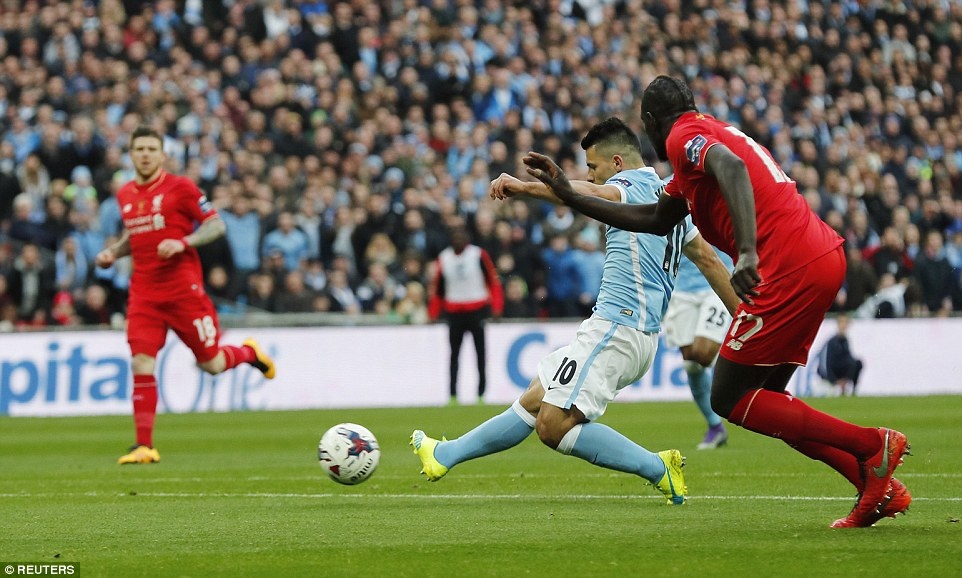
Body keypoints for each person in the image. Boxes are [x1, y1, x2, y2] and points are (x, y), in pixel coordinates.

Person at [522, 77, 910, 528]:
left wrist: (746, 252)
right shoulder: (701, 145)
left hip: (786, 266)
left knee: (728, 397)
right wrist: (570, 195)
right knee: (767, 402)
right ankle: (875, 485)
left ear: (650, 121)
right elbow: (655, 219)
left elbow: (731, 167)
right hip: (820, 256)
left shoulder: (684, 136)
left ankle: (872, 445)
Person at [412, 117, 738, 505]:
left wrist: (524, 187)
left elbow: (585, 192)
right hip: (628, 332)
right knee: (536, 398)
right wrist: (743, 316)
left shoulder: (629, 186)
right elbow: (710, 262)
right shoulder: (672, 201)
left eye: (594, 167)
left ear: (617, 163)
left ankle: (657, 467)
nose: (591, 175)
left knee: (553, 426)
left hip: (619, 329)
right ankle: (444, 455)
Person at [95, 125, 276, 465]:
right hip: (144, 294)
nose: (145, 155)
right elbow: (135, 235)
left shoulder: (181, 188)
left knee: (211, 363)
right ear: (131, 155)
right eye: (139, 149)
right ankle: (144, 446)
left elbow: (216, 224)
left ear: (162, 155)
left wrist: (184, 242)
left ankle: (248, 353)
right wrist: (113, 253)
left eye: (151, 149)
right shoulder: (125, 194)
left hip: (183, 292)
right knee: (141, 362)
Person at [665, 249, 734, 449]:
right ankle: (715, 426)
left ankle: (734, 362)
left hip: (717, 282)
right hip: (681, 288)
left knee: (703, 354)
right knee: (691, 364)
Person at [427, 224, 503, 405]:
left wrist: (496, 307)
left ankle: (481, 394)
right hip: (454, 311)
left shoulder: (478, 255)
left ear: (467, 239)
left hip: (477, 309)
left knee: (480, 354)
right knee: (454, 355)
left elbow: (493, 281)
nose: (458, 240)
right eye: (455, 237)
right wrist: (433, 312)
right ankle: (453, 395)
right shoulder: (444, 258)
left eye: (461, 237)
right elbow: (438, 289)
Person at [817, 313, 863, 397]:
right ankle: (838, 385)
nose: (844, 325)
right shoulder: (832, 342)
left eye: (845, 322)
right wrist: (833, 380)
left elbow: (849, 360)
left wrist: (846, 377)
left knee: (857, 363)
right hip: (830, 376)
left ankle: (851, 389)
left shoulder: (845, 341)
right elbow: (826, 362)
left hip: (841, 372)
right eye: (842, 322)